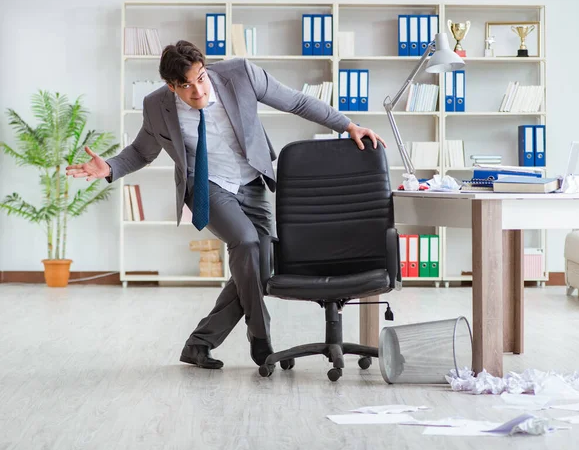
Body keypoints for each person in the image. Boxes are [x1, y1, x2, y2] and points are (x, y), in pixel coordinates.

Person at [66, 40, 386, 369]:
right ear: (170, 86)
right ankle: (260, 336)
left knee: (257, 265)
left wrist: (347, 125)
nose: (198, 92)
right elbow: (140, 152)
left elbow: (296, 101)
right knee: (245, 242)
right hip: (209, 187)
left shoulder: (241, 74)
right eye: (186, 86)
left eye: (200, 78)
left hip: (252, 181)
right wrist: (110, 168)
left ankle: (199, 343)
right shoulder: (156, 106)